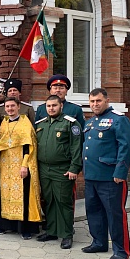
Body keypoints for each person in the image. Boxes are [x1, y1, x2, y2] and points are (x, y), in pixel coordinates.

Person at [81, 88, 130, 259]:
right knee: (94, 212)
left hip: (110, 177)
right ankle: (99, 242)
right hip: (91, 176)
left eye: (98, 101)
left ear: (106, 100)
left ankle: (121, 250)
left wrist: (120, 172)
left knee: (115, 214)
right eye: (92, 101)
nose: (95, 104)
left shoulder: (118, 120)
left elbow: (125, 147)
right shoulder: (90, 122)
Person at [0, 97, 42, 240]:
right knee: (4, 195)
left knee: (23, 195)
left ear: (19, 106)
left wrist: (25, 165)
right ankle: (4, 225)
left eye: (13, 106)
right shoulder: (4, 123)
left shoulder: (25, 123)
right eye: (7, 106)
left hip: (20, 165)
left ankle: (24, 228)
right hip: (5, 166)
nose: (10, 109)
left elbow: (28, 146)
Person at [35, 95, 83, 249]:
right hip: (44, 169)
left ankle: (67, 234)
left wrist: (74, 168)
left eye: (54, 105)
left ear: (61, 106)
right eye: (48, 106)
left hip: (62, 169)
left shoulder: (70, 123)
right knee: (49, 201)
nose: (51, 108)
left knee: (63, 202)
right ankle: (52, 231)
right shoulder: (41, 124)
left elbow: (76, 147)